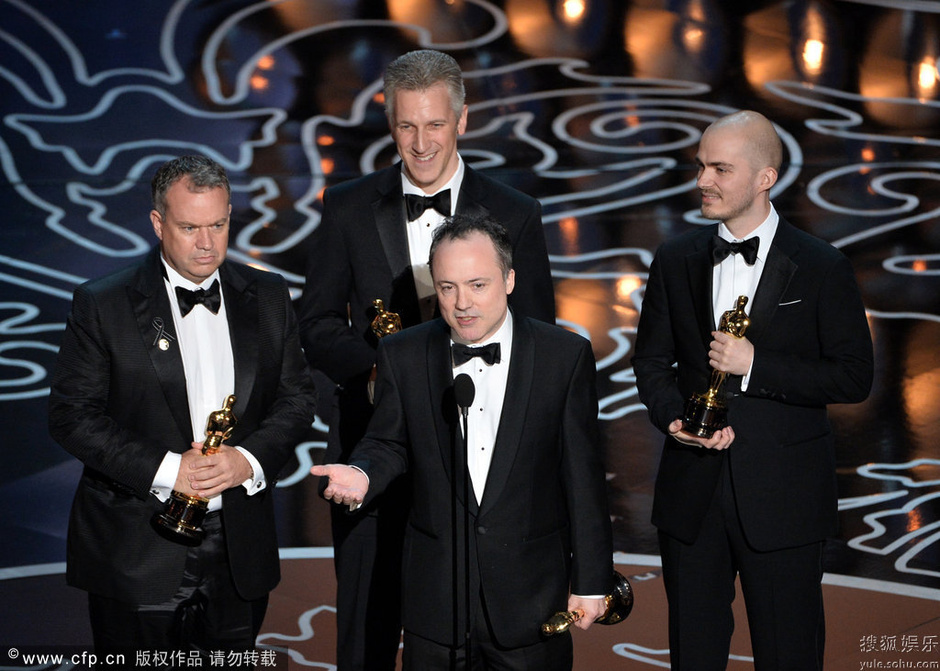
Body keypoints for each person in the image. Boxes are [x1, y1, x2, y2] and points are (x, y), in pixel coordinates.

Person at [295, 49, 555, 670]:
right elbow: (317, 322)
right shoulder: (348, 206)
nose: (421, 143)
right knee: (367, 626)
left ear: (462, 120)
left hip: (479, 454)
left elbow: (538, 338)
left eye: (435, 124)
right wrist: (375, 374)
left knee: (473, 629)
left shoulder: (514, 213)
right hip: (372, 443)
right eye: (406, 125)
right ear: (390, 123)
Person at [311, 214, 612, 670]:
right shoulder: (403, 353)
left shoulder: (563, 356)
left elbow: (583, 477)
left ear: (509, 280)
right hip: (436, 605)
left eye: (477, 285)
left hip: (531, 601)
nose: (462, 303)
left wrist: (591, 580)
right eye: (447, 287)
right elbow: (388, 442)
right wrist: (363, 474)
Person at [48, 155, 318, 660]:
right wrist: (173, 470)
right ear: (158, 223)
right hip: (136, 550)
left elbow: (297, 399)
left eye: (218, 225)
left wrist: (247, 461)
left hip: (239, 551)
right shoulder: (103, 304)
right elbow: (72, 417)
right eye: (190, 227)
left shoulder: (267, 294)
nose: (207, 243)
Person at [632, 110, 874, 670]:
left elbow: (853, 376)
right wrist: (673, 419)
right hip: (692, 495)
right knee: (693, 654)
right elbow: (651, 361)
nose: (703, 180)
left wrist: (755, 365)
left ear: (766, 178)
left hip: (784, 497)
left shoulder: (822, 266)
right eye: (701, 166)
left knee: (788, 654)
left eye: (720, 169)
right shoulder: (675, 258)